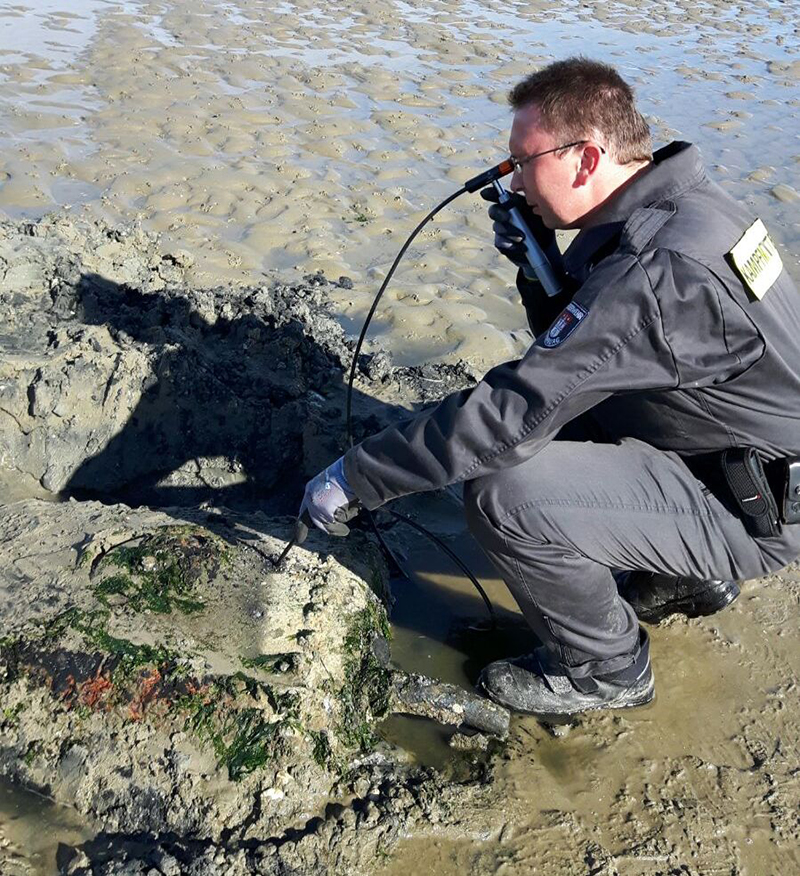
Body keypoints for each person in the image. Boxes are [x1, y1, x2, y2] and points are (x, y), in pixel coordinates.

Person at [299, 57, 800, 716]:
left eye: (520, 162)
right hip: (730, 453)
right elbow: (604, 350)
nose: (510, 179)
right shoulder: (685, 205)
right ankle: (688, 574)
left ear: (585, 159)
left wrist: (353, 478)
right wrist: (540, 267)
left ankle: (606, 668)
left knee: (507, 490)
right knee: (548, 427)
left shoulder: (657, 271)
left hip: (752, 506)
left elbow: (514, 411)